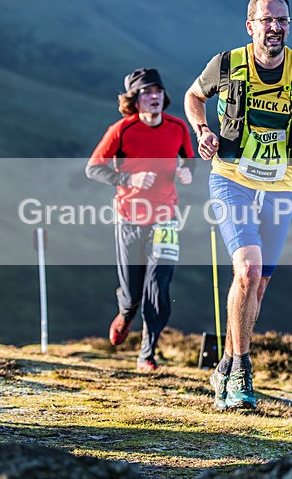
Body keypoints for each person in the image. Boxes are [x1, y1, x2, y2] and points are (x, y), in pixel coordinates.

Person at [184, 0, 292, 409]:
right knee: (247, 270)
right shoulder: (227, 64)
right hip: (231, 177)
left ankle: (226, 365)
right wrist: (202, 131)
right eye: (267, 20)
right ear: (250, 25)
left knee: (260, 285)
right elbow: (193, 96)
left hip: (280, 182)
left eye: (282, 20)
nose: (275, 27)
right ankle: (242, 375)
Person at [86, 68, 195, 372]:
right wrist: (128, 177)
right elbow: (94, 168)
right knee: (134, 293)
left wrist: (187, 172)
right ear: (134, 99)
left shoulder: (177, 127)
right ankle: (125, 312)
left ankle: (147, 354)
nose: (154, 97)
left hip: (166, 217)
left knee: (159, 287)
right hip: (129, 218)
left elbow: (189, 161)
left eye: (158, 91)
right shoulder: (122, 130)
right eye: (147, 92)